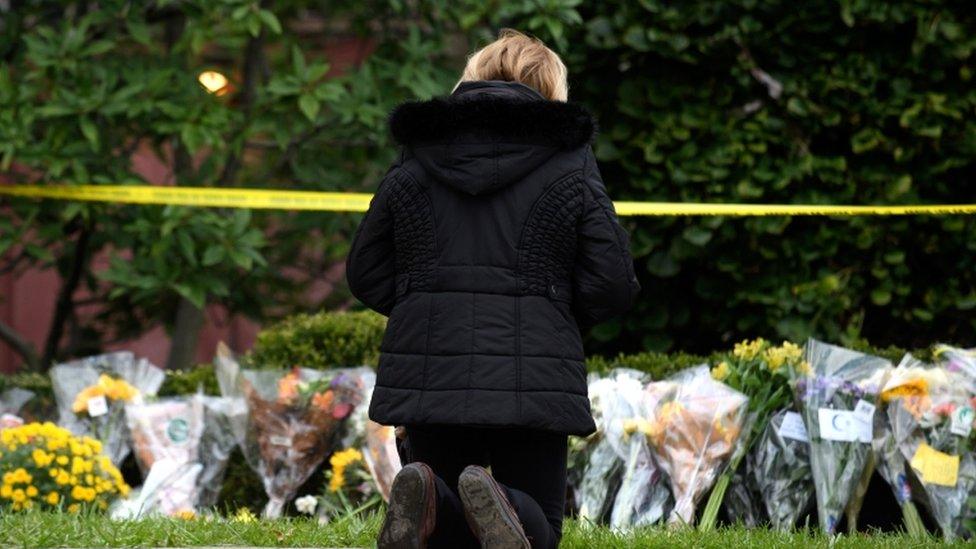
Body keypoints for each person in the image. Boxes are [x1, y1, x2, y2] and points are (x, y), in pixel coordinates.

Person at [346, 29, 639, 549]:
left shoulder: (418, 153)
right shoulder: (569, 159)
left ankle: (432, 491)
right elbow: (611, 282)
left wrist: (425, 305)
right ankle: (501, 499)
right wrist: (552, 314)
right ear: (551, 86)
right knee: (540, 530)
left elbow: (366, 269)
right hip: (535, 372)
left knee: (440, 524)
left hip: (430, 369)